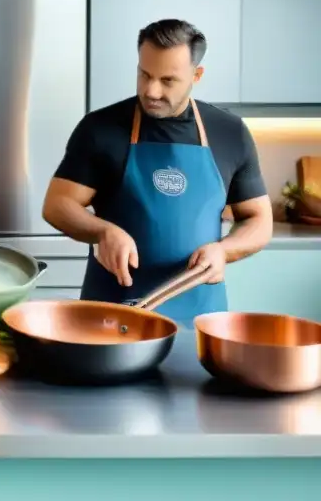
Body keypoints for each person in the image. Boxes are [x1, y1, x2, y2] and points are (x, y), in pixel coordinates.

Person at [43, 18, 273, 324]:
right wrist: (103, 231)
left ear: (197, 74)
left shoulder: (230, 132)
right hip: (113, 314)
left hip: (199, 318)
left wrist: (225, 251)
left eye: (167, 80)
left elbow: (258, 218)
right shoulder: (101, 129)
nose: (151, 90)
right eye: (144, 74)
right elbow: (57, 204)